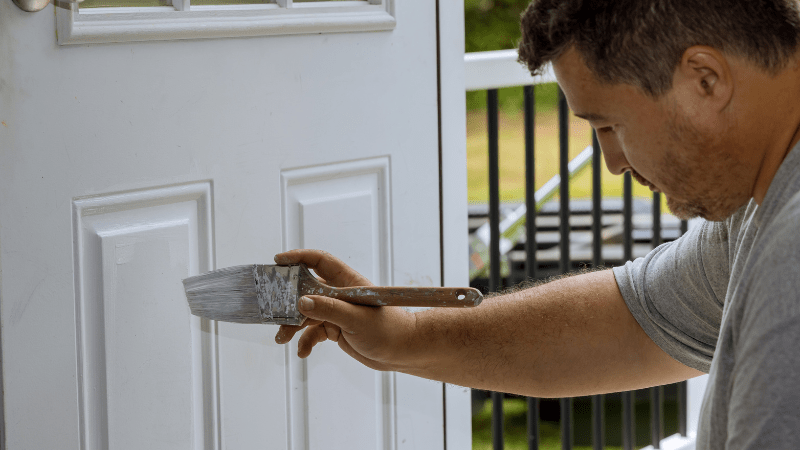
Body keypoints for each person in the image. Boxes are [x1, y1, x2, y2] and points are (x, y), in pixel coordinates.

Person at [275, 0, 800, 447]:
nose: (613, 162)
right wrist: (405, 334)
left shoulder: (792, 251)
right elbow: (636, 320)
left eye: (610, 125)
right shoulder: (761, 199)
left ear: (705, 79)